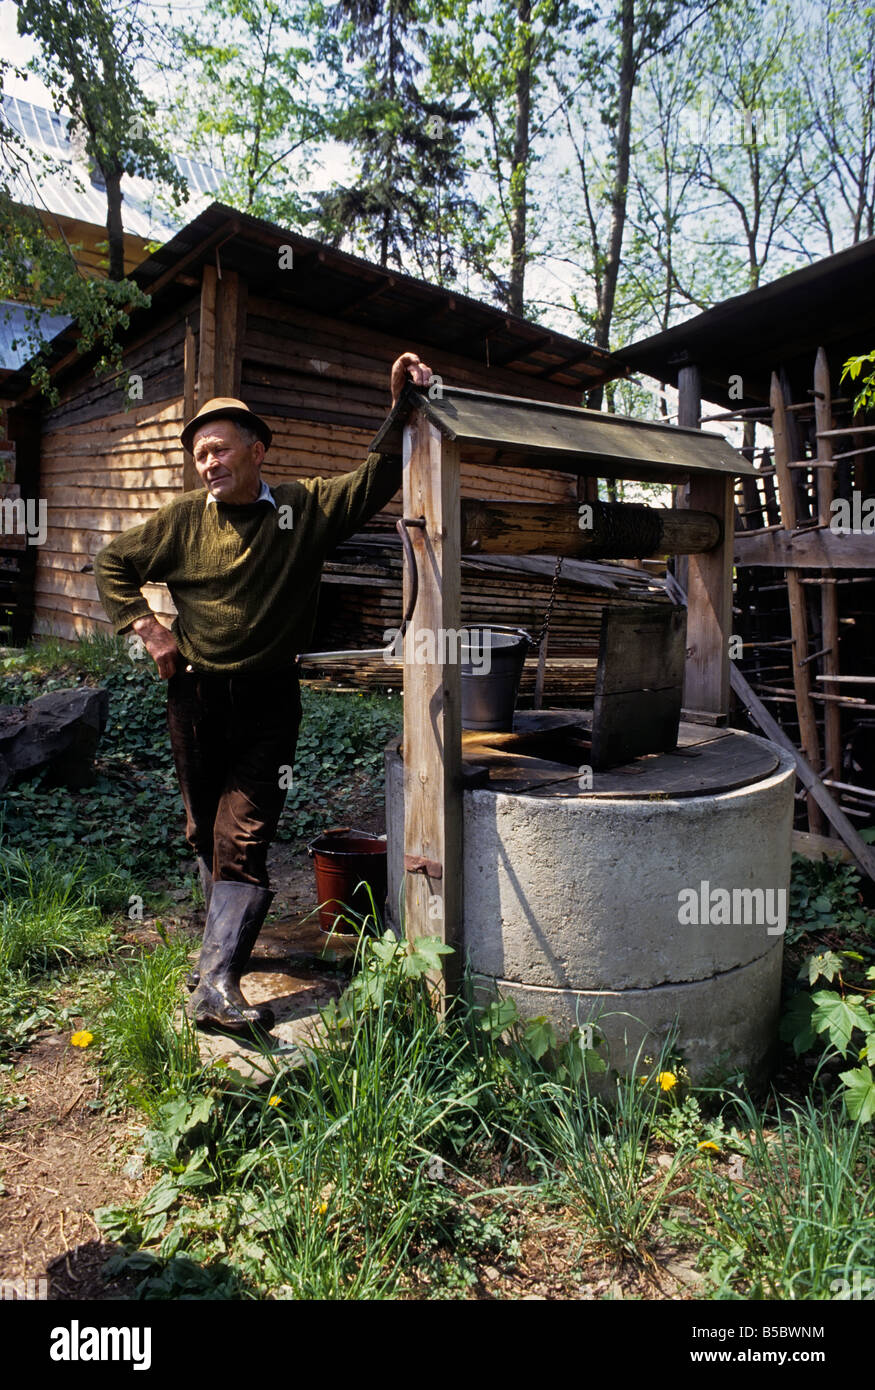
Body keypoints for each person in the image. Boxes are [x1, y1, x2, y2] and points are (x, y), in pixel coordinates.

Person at [94, 351, 432, 1033]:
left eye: (218, 451)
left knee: (243, 834)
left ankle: (217, 984)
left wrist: (401, 405)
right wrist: (149, 627)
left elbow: (374, 477)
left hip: (268, 702)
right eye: (199, 457)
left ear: (255, 451)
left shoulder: (304, 509)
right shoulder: (185, 520)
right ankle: (215, 953)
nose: (208, 465)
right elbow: (113, 562)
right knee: (201, 828)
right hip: (193, 697)